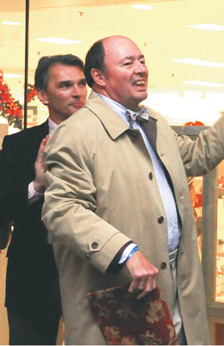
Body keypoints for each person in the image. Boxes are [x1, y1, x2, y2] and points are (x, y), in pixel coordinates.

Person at [41, 35, 224, 345]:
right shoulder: (76, 134)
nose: (140, 69)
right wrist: (125, 252)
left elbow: (197, 156)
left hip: (175, 299)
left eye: (142, 60)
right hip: (121, 311)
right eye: (128, 63)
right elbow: (62, 211)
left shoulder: (153, 123)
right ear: (98, 77)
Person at [0, 54, 87, 344]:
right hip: (34, 272)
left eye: (81, 83)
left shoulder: (107, 142)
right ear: (42, 95)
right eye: (65, 85)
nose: (76, 92)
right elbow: (4, 208)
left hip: (91, 271)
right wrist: (37, 186)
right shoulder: (18, 145)